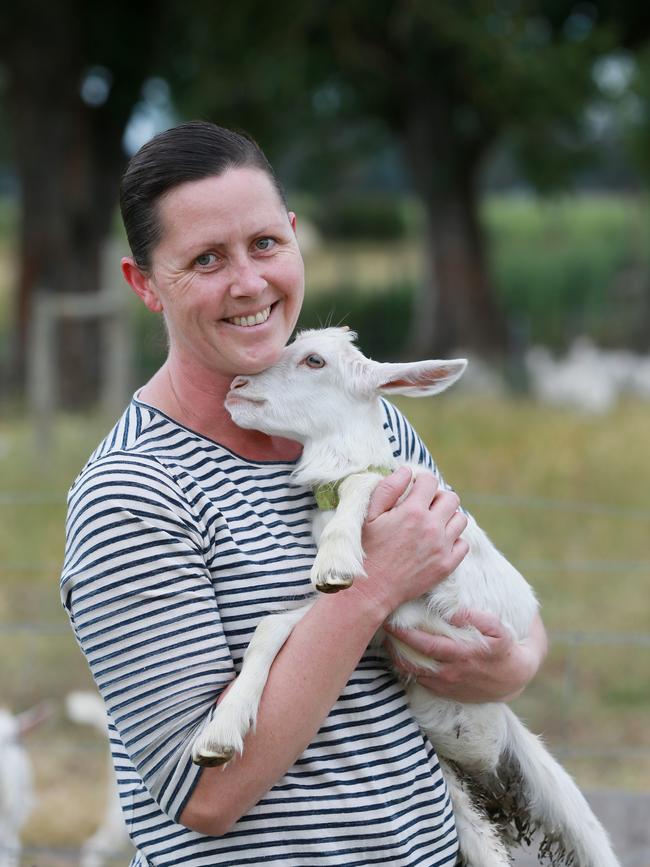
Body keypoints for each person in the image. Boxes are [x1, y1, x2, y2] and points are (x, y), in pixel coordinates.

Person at [60, 121, 547, 867]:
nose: (249, 283)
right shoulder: (131, 494)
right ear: (144, 285)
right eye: (205, 260)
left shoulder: (364, 415)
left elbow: (489, 597)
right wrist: (370, 587)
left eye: (264, 244)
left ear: (293, 238)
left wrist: (513, 664)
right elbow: (204, 795)